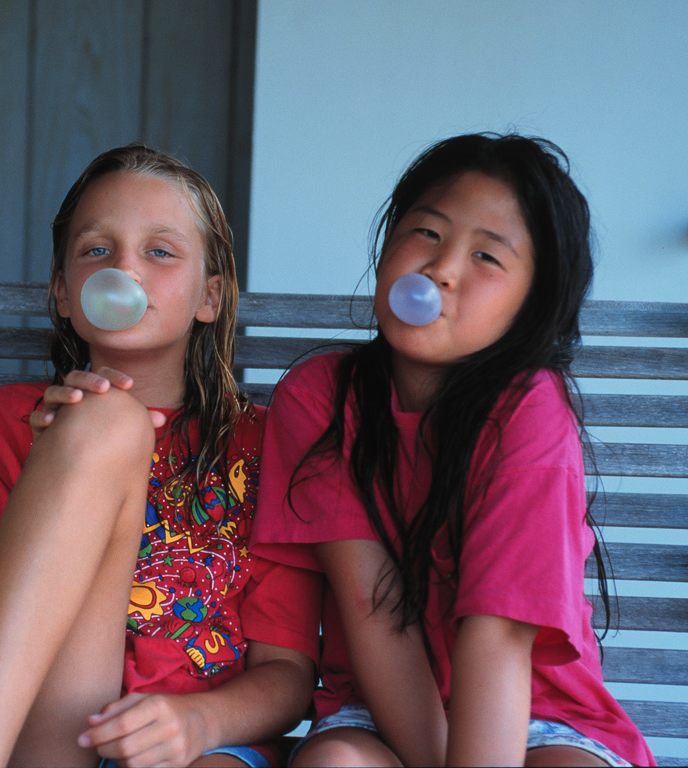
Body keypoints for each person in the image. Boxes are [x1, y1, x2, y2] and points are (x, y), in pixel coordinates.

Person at [252, 133, 655, 767]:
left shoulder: (528, 410)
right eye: (428, 234)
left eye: (488, 257)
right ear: (388, 245)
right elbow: (372, 608)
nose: (441, 269)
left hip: (536, 714)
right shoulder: (320, 397)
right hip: (378, 711)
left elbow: (497, 638)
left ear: (531, 301)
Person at [0, 144, 321, 768]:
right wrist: (59, 467)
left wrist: (197, 722)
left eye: (160, 251)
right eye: (98, 249)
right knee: (107, 421)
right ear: (64, 292)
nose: (126, 269)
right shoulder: (15, 422)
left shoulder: (268, 447)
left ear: (211, 296)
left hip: (203, 735)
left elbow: (286, 673)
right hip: (40, 731)